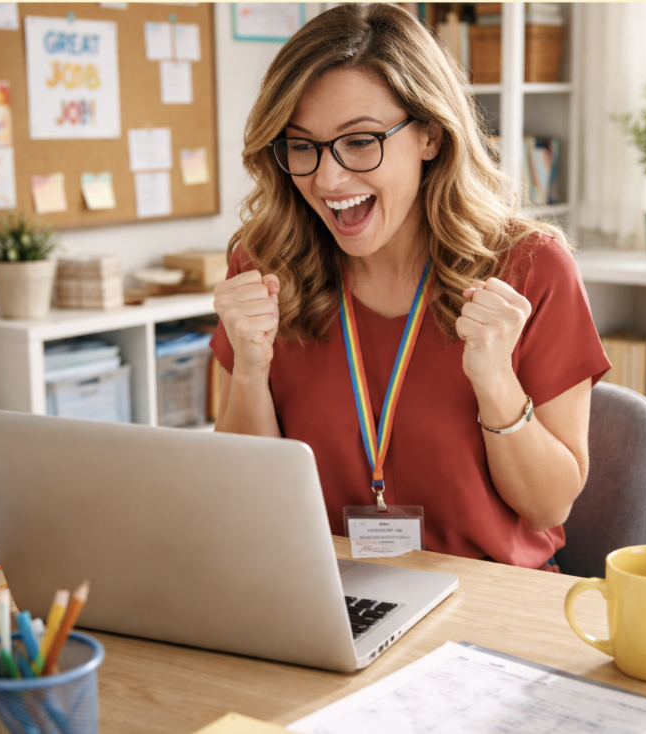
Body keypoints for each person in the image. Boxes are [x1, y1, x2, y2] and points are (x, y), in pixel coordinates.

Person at [210, 3, 611, 570]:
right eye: (302, 146)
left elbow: (548, 506)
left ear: (430, 136)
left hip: (488, 608)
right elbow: (241, 501)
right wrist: (250, 371)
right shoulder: (265, 266)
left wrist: (495, 381)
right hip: (325, 594)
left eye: (360, 140)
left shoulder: (529, 267)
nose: (328, 179)